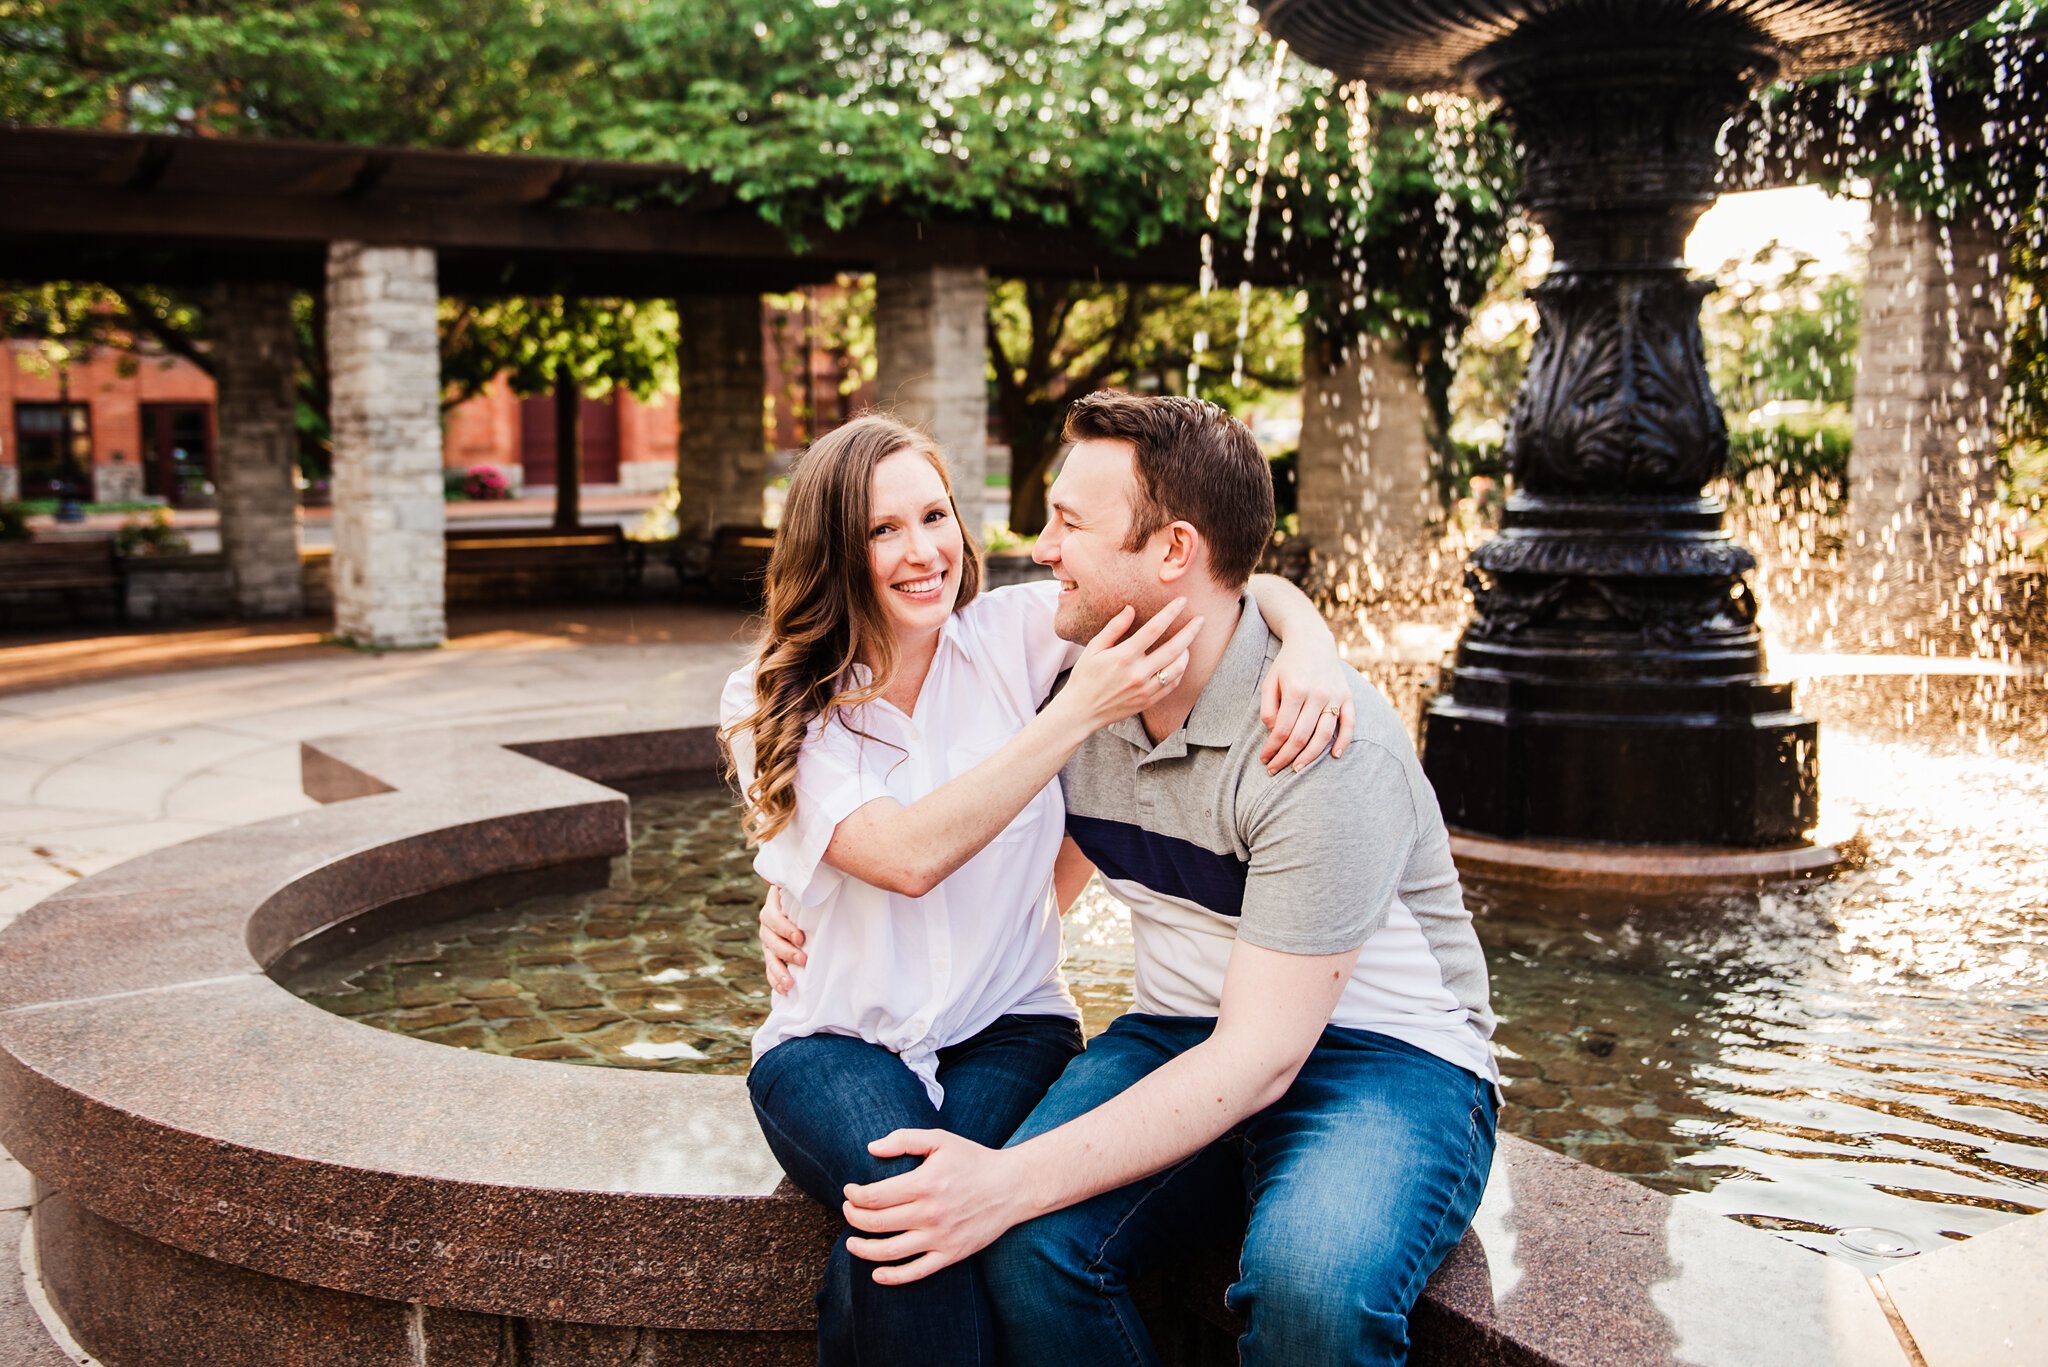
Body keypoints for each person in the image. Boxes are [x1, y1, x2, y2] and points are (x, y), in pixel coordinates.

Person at [766, 393, 1500, 1367]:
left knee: (1309, 1290)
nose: (1039, 544)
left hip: (1382, 1061)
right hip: (1173, 1032)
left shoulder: (1321, 744)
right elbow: (908, 832)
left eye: (1067, 521)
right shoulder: (1077, 679)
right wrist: (803, 888)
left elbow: (1257, 1061)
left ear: (1169, 552)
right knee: (1026, 1245)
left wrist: (1009, 1176)